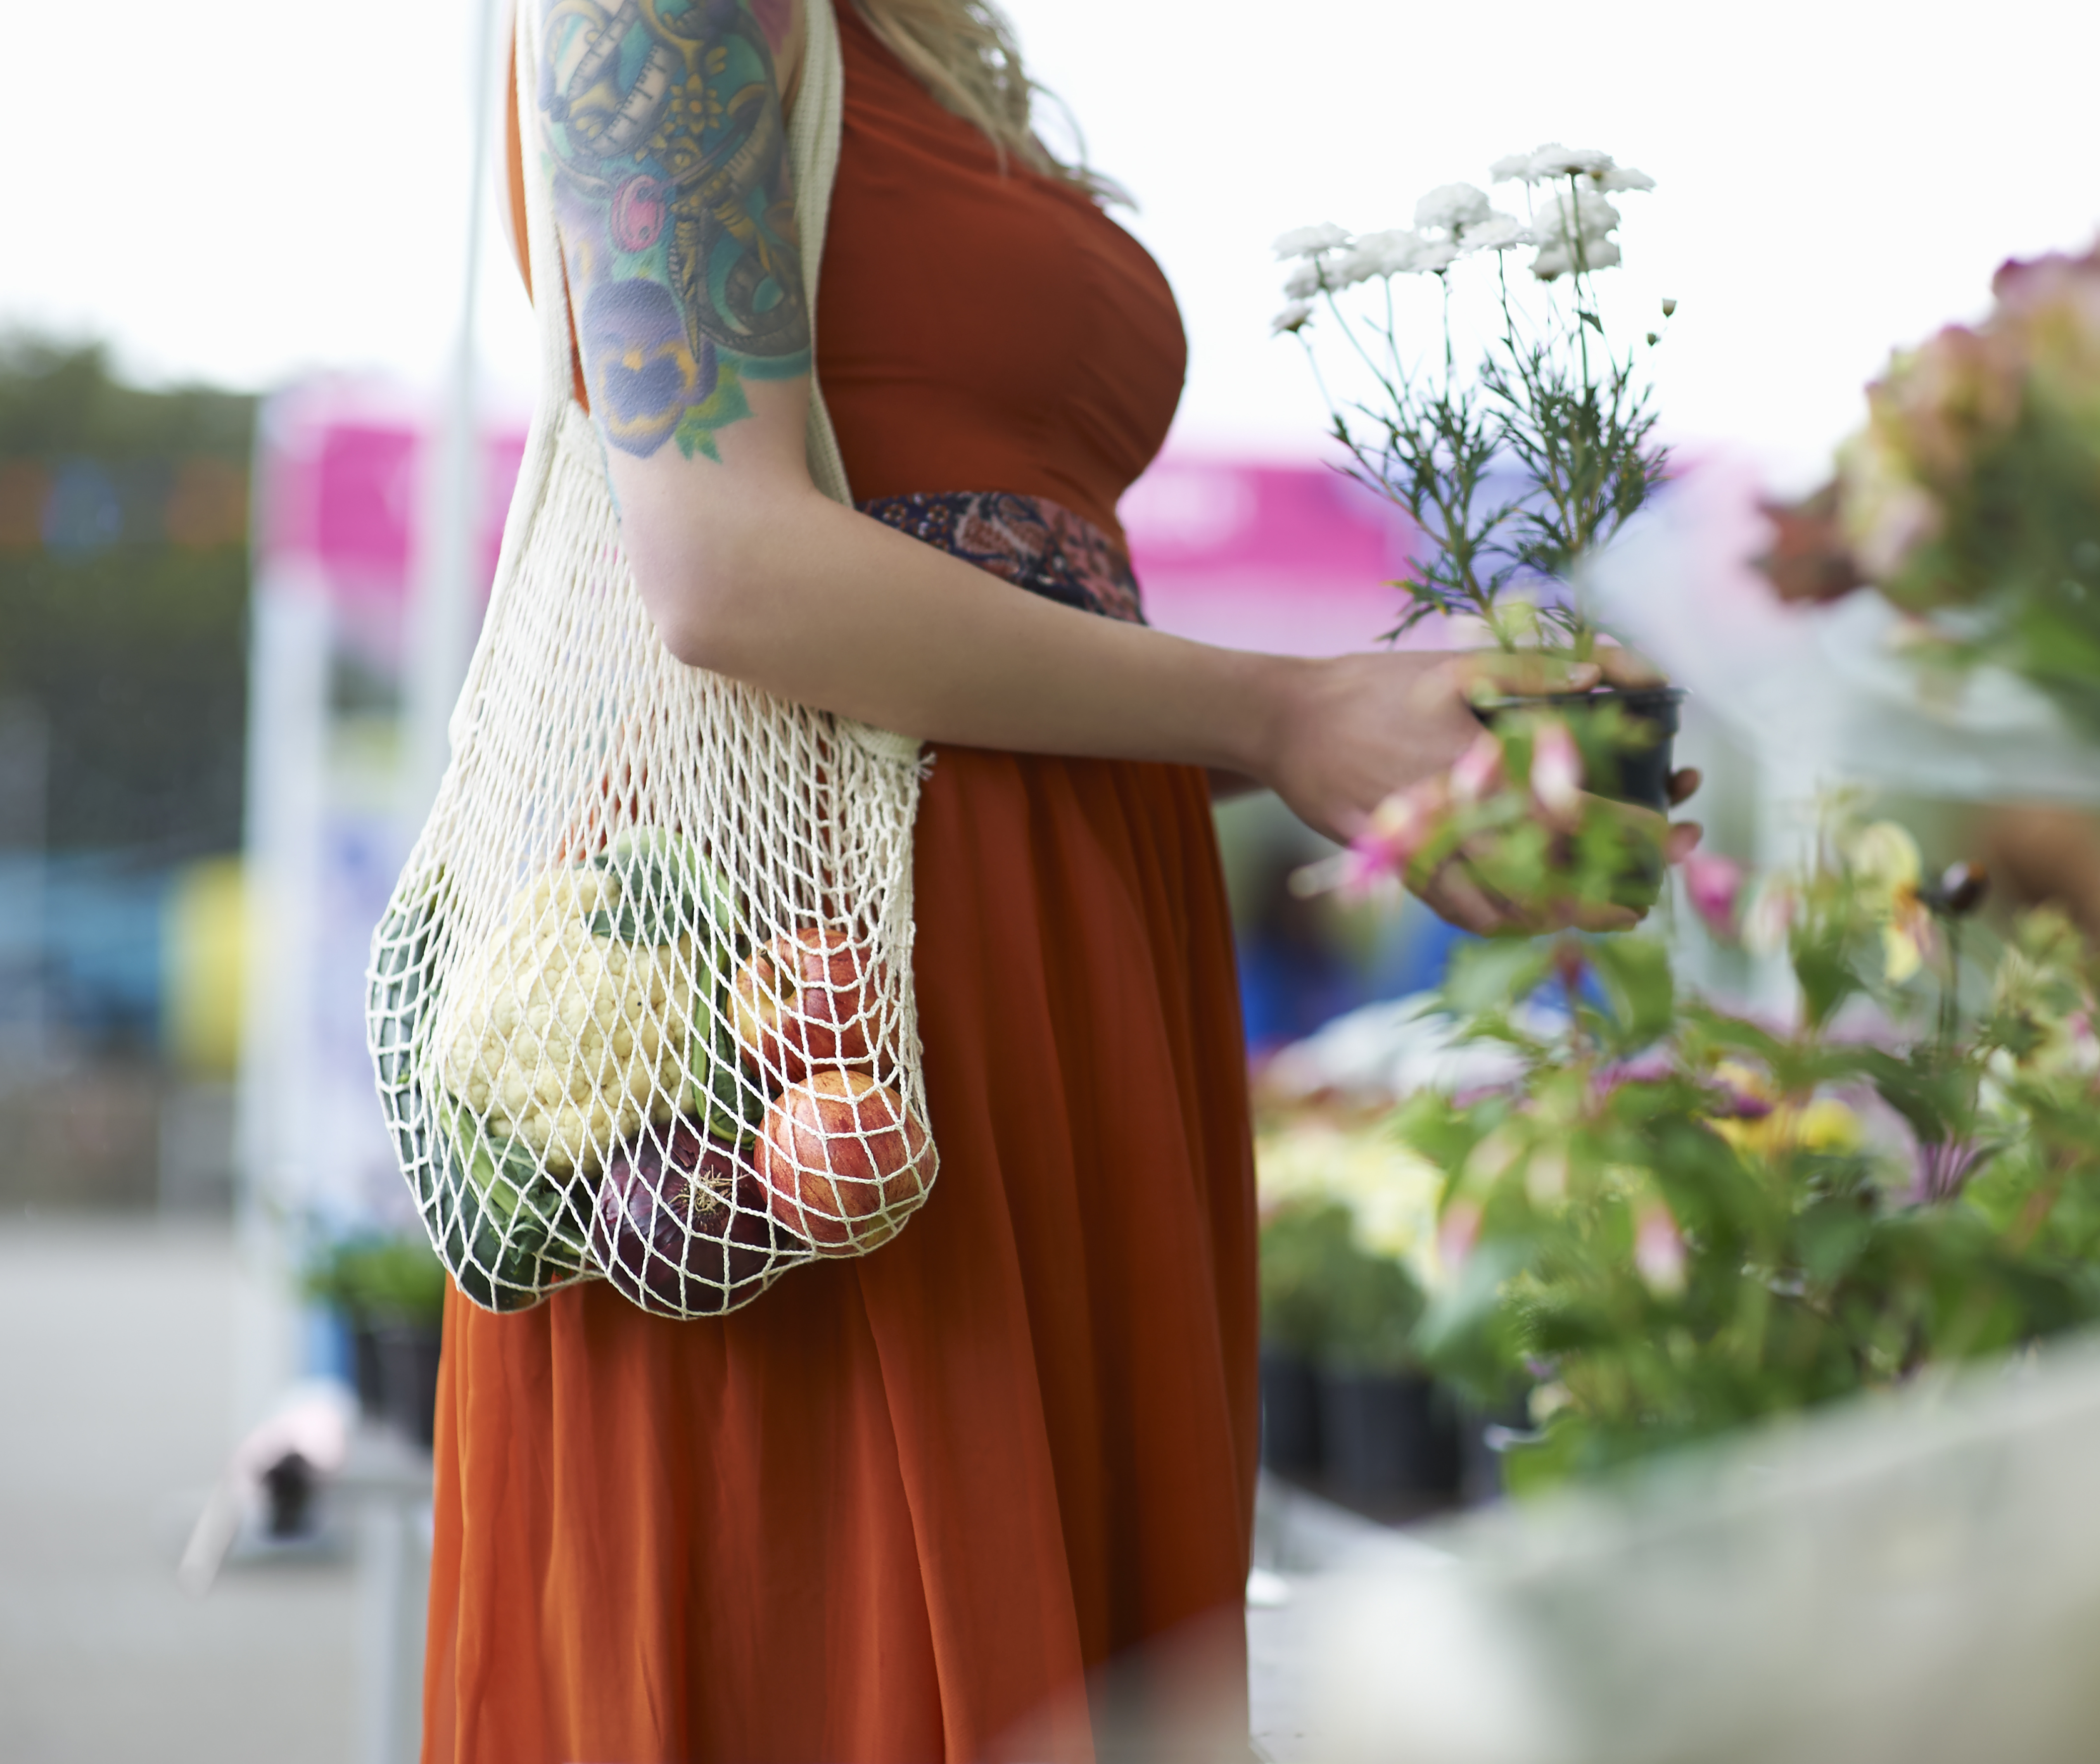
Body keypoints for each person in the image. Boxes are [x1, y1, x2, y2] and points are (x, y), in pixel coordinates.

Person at [428, 2, 1688, 1757]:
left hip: (1048, 933)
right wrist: (1280, 712)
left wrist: (1368, 743)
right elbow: (726, 569)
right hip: (830, 988)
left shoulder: (902, 34)